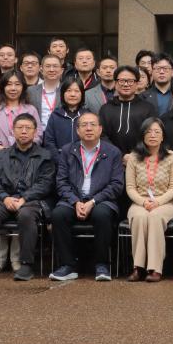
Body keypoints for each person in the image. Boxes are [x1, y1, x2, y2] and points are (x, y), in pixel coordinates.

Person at [0, 114, 55, 282]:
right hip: (3, 200)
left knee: (26, 216)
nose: (24, 131)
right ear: (13, 131)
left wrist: (24, 199)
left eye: (28, 128)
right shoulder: (1, 156)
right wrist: (5, 198)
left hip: (31, 201)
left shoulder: (45, 156)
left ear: (35, 132)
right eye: (20, 128)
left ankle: (26, 265)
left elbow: (46, 184)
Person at [48, 111, 125, 282]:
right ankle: (68, 265)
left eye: (92, 125)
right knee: (58, 215)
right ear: (77, 130)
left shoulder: (113, 152)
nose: (88, 128)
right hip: (73, 199)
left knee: (102, 215)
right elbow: (61, 182)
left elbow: (116, 185)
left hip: (101, 200)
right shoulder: (67, 150)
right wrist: (75, 201)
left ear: (100, 129)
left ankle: (102, 264)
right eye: (84, 125)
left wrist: (93, 201)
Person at [0, 70, 41, 269]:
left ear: (23, 87)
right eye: (9, 84)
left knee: (21, 211)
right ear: (3, 87)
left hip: (25, 166)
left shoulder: (30, 109)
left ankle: (16, 257)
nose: (13, 88)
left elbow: (39, 135)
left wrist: (23, 146)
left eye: (17, 84)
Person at [124, 117, 173, 282]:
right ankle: (138, 267)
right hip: (140, 201)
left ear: (163, 137)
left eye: (157, 132)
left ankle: (155, 268)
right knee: (139, 217)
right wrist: (143, 202)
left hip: (165, 202)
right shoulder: (134, 157)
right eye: (148, 132)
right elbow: (130, 187)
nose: (153, 135)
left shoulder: (171, 156)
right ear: (143, 135)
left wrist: (158, 202)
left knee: (155, 217)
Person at [98, 65, 157, 156]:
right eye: (121, 81)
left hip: (141, 158)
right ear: (115, 83)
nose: (126, 84)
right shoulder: (105, 109)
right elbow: (102, 135)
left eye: (130, 81)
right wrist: (120, 155)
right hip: (112, 158)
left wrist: (135, 156)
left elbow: (151, 134)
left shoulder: (147, 108)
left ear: (136, 84)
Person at [43, 75, 85, 154]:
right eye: (68, 90)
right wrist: (59, 159)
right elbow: (49, 142)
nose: (72, 94)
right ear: (62, 94)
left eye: (76, 91)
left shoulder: (87, 115)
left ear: (82, 94)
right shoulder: (55, 116)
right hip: (59, 158)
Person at [27, 53, 63, 128]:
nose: (51, 70)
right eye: (48, 66)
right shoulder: (30, 91)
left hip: (61, 133)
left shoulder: (67, 91)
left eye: (55, 66)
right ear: (41, 69)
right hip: (37, 132)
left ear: (61, 70)